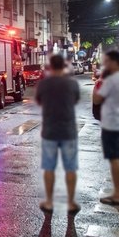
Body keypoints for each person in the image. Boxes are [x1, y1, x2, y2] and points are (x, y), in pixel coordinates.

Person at [36, 54, 81, 214]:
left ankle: (49, 201)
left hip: (49, 130)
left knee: (49, 167)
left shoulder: (44, 84)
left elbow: (39, 101)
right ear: (63, 66)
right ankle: (70, 202)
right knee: (70, 168)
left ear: (50, 66)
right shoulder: (72, 83)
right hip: (68, 130)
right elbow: (75, 100)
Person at [92, 51, 119, 206]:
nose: (106, 64)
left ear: (114, 62)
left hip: (111, 123)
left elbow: (97, 99)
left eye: (107, 61)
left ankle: (117, 194)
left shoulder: (110, 80)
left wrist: (97, 85)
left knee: (114, 158)